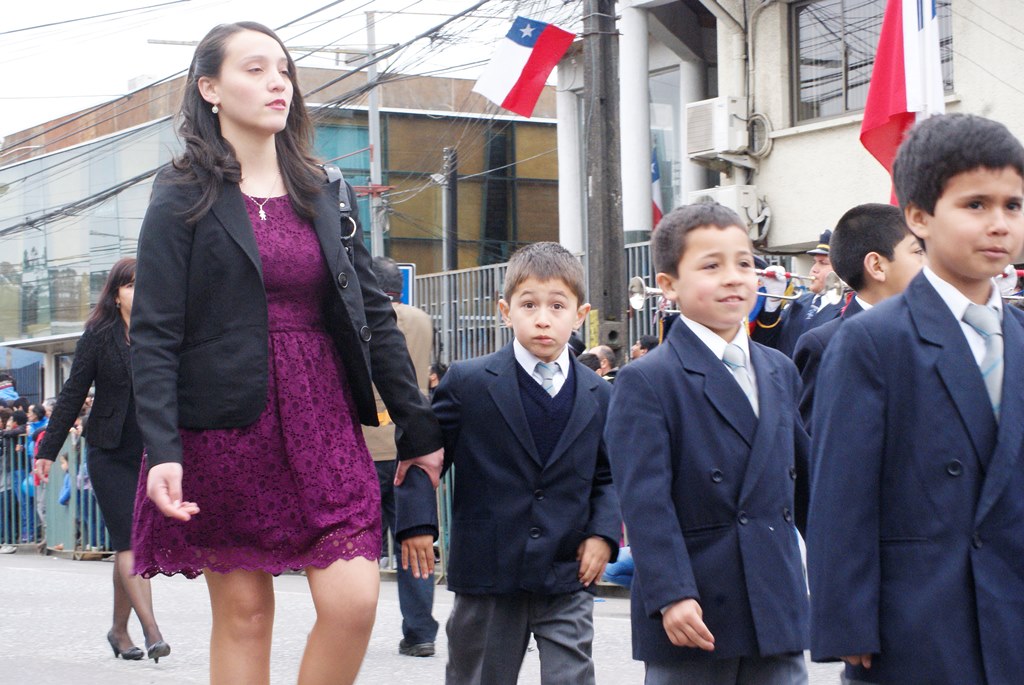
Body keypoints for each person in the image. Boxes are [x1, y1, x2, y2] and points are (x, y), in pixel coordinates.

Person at [128, 22, 443, 685]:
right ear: (209, 88)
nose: (278, 82)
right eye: (255, 69)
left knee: (354, 601)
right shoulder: (182, 191)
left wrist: (418, 427)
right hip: (224, 428)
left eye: (283, 69)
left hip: (322, 420)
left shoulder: (323, 187)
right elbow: (154, 333)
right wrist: (163, 449)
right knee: (245, 615)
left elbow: (371, 313)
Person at [807, 113, 1024, 684]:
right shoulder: (873, 340)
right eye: (975, 205)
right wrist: (848, 623)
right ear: (919, 216)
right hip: (918, 621)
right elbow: (841, 493)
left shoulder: (1021, 337)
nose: (999, 223)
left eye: (1013, 205)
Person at [606, 202, 810, 684]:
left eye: (744, 263)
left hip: (775, 600)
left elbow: (807, 486)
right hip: (694, 607)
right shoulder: (648, 379)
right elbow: (645, 502)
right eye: (711, 266)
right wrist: (671, 593)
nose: (734, 278)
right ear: (669, 284)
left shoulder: (779, 369)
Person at [433, 241, 621, 685]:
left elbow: (609, 475)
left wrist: (603, 534)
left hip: (567, 568)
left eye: (557, 306)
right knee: (479, 675)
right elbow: (427, 458)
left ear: (580, 314)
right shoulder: (468, 383)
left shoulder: (600, 394)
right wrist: (417, 526)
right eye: (529, 304)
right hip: (489, 571)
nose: (542, 318)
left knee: (571, 676)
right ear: (505, 311)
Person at [33, 257, 167, 662]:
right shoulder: (98, 334)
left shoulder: (159, 332)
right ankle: (152, 631)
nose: (138, 292)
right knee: (129, 540)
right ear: (116, 294)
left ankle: (118, 630)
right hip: (108, 451)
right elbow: (73, 393)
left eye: (144, 284)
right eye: (130, 285)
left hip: (150, 453)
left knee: (129, 542)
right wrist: (47, 450)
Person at [792, 204, 926, 430]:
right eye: (918, 252)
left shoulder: (933, 332)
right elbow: (813, 439)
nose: (929, 264)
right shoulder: (826, 344)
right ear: (877, 266)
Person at [364, 256, 439, 658]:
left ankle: (353, 626)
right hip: (414, 444)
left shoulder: (363, 317)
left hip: (366, 446)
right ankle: (420, 632)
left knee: (361, 546)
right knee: (415, 541)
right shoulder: (423, 320)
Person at [753, 229, 842, 356]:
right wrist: (773, 303)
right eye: (814, 262)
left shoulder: (846, 308)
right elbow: (764, 344)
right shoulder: (799, 301)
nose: (814, 269)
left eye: (823, 263)